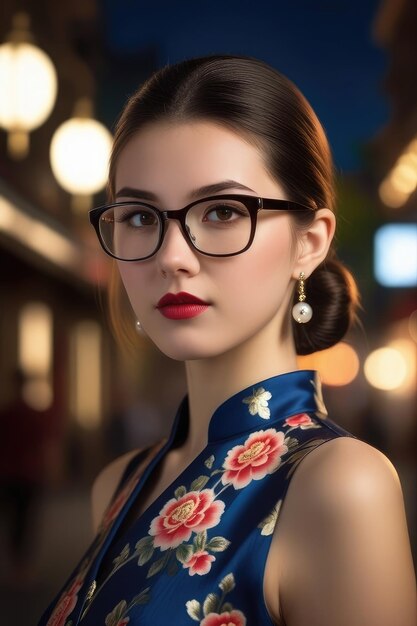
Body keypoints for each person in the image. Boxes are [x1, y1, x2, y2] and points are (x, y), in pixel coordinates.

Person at [39, 55, 416, 626]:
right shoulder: (118, 483)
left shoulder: (339, 487)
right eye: (140, 217)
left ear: (308, 242)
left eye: (220, 211)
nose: (171, 257)